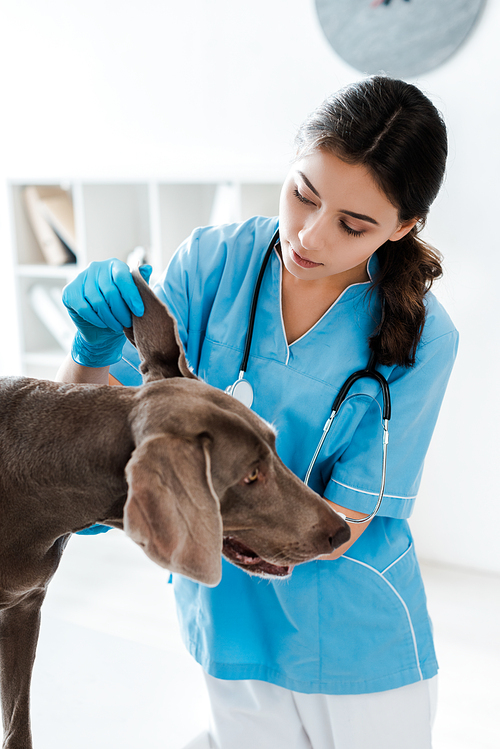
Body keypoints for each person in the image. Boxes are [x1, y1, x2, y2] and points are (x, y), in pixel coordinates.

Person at [58, 76, 458, 749]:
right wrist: (90, 349)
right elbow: (91, 441)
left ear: (404, 227)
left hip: (353, 637)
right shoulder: (212, 263)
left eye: (353, 225)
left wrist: (170, 515)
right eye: (303, 193)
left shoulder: (423, 339)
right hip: (227, 622)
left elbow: (342, 525)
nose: (309, 233)